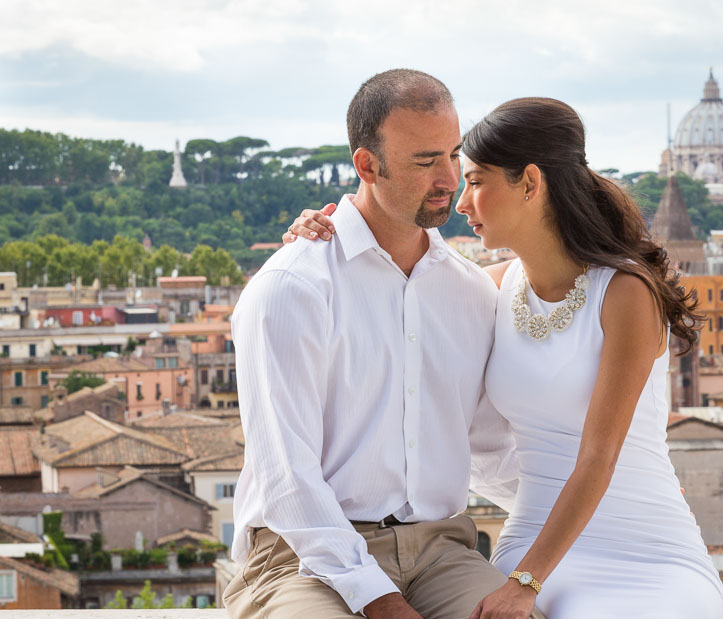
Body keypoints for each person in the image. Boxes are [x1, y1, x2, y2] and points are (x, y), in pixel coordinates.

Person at [285, 97, 723, 618]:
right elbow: (391, 299)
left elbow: (598, 456)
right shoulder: (487, 289)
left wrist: (524, 582)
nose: (461, 201)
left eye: (475, 181)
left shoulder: (626, 290)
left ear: (530, 183)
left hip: (644, 548)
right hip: (534, 539)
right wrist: (325, 235)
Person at [224, 69, 544, 619]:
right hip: (301, 554)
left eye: (452, 156)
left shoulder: (470, 293)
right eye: (426, 162)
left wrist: (606, 511)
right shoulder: (291, 288)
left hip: (441, 551)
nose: (449, 179)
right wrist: (378, 599)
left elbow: (491, 453)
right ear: (367, 165)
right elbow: (285, 475)